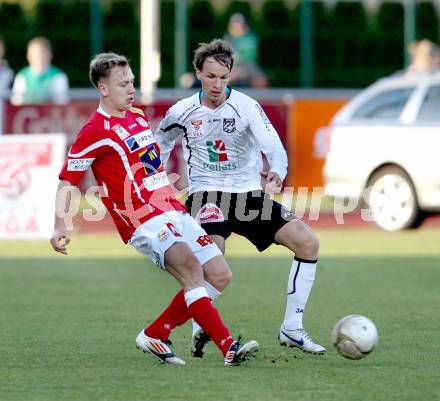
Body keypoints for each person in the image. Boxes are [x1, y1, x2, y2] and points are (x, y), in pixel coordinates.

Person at [49, 52, 258, 367]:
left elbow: (149, 166)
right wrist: (61, 224)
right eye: (123, 84)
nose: (131, 88)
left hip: (170, 208)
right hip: (140, 219)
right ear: (103, 89)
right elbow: (68, 179)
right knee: (190, 267)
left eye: (132, 81)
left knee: (219, 275)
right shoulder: (95, 130)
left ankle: (156, 333)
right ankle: (228, 347)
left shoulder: (135, 116)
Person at [155, 39, 325, 358]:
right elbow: (158, 148)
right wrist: (159, 183)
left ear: (230, 75)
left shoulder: (246, 106)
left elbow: (273, 146)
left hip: (247, 196)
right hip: (206, 194)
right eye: (210, 76)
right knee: (213, 262)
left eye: (223, 76)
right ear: (198, 74)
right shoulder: (182, 110)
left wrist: (276, 170)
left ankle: (292, 327)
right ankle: (196, 327)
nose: (217, 84)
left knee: (308, 243)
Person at [11, 36, 69, 105]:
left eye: (42, 53)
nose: (39, 57)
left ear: (49, 55)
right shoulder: (22, 76)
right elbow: (16, 103)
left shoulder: (59, 76)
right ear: (29, 56)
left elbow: (61, 103)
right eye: (35, 54)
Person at [223, 13, 268, 88]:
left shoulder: (250, 37)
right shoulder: (227, 38)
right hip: (232, 67)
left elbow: (250, 57)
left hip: (249, 66)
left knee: (261, 81)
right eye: (234, 25)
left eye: (238, 25)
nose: (236, 28)